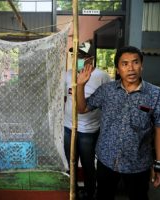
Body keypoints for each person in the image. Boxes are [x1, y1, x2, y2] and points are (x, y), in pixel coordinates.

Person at [77, 46, 160, 200]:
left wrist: (159, 163)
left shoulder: (155, 94)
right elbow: (82, 108)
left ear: (142, 65)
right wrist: (80, 86)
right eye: (124, 64)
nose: (131, 68)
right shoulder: (106, 91)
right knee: (103, 196)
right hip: (107, 159)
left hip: (138, 163)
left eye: (135, 62)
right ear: (118, 69)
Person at [64, 41, 111, 200]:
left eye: (81, 56)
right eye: (75, 55)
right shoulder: (68, 74)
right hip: (68, 128)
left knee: (88, 164)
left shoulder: (102, 76)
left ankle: (90, 192)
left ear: (90, 58)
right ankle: (73, 191)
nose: (77, 58)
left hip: (88, 131)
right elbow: (66, 98)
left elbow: (107, 101)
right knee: (70, 164)